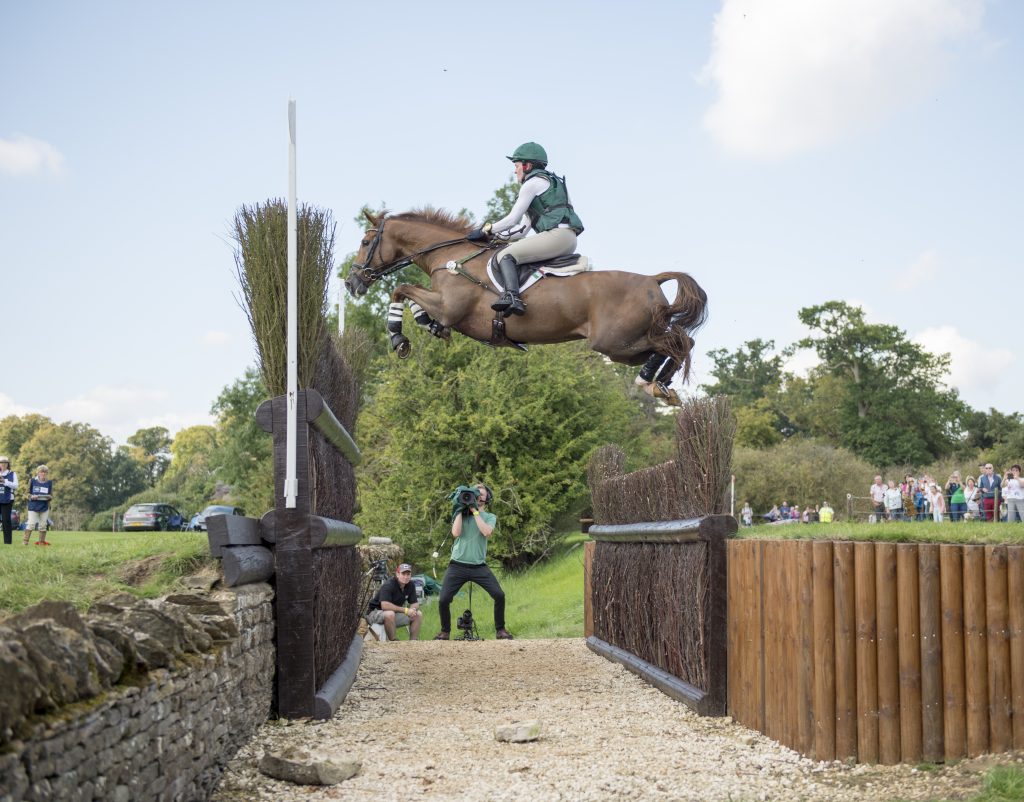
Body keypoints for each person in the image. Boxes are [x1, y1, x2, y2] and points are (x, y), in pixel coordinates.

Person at [467, 142, 584, 317]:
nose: (515, 171)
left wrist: (487, 229)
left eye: (516, 166)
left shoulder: (532, 184)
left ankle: (512, 296)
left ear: (527, 165)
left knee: (504, 256)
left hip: (556, 236)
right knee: (512, 251)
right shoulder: (548, 186)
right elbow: (521, 230)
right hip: (566, 238)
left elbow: (512, 219)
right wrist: (496, 237)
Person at [434, 483, 513, 640]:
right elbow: (456, 533)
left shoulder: (490, 517)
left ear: (487, 497)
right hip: (457, 565)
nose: (479, 497)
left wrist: (475, 511)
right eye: (476, 494)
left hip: (479, 566)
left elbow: (486, 531)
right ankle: (445, 631)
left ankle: (500, 629)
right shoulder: (461, 514)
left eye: (482, 494)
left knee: (499, 595)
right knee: (443, 599)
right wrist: (459, 508)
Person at [366, 563, 422, 641]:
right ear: (397, 574)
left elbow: (415, 603)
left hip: (393, 614)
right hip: (374, 613)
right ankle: (394, 642)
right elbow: (385, 606)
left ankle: (413, 642)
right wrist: (406, 610)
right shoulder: (389, 585)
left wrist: (412, 610)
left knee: (418, 614)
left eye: (408, 574)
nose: (406, 577)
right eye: (403, 574)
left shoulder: (410, 585)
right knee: (390, 614)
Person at [25, 465, 53, 545]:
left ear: (47, 473)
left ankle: (41, 543)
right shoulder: (32, 481)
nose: (43, 474)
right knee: (31, 524)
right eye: (41, 472)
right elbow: (26, 493)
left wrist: (49, 497)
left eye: (45, 472)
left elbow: (51, 495)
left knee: (43, 525)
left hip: (44, 506)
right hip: (33, 506)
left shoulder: (49, 482)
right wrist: (31, 496)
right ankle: (25, 542)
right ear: (38, 472)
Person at [0, 456, 17, 545]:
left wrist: (4, 481)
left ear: (8, 464)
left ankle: (7, 542)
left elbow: (15, 486)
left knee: (6, 520)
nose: (3, 464)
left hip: (8, 499)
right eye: (1, 463)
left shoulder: (12, 474)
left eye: (5, 463)